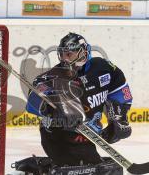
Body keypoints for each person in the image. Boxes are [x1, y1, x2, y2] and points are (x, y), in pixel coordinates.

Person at [23, 32, 133, 174]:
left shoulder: (103, 68)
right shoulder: (51, 76)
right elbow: (32, 103)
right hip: (58, 138)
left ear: (83, 53)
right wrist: (57, 110)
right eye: (62, 55)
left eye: (69, 55)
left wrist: (119, 118)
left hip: (86, 137)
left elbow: (120, 89)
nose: (64, 59)